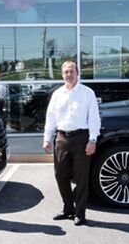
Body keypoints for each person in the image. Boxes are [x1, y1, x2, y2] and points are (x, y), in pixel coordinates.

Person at [43, 60, 101, 226]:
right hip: (62, 139)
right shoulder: (57, 94)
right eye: (66, 72)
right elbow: (50, 118)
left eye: (71, 71)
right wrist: (47, 139)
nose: (69, 74)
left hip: (81, 139)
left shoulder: (87, 93)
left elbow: (94, 119)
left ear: (77, 73)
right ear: (62, 74)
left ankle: (80, 213)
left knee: (82, 178)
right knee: (60, 174)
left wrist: (92, 140)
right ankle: (68, 208)